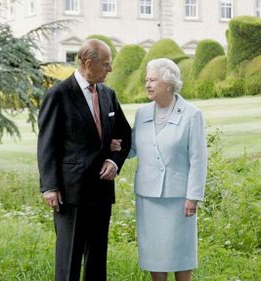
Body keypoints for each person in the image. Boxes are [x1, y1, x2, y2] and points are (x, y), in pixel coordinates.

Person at [37, 39, 132, 281]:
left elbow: (124, 134)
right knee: (69, 258)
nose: (110, 69)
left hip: (101, 191)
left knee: (97, 258)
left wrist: (114, 161)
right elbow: (47, 144)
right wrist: (50, 186)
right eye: (107, 64)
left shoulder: (108, 94)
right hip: (71, 192)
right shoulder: (58, 94)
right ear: (89, 63)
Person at [112, 58, 207, 281]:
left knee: (180, 253)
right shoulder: (142, 112)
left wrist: (193, 197)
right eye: (147, 80)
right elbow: (134, 147)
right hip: (148, 196)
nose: (147, 84)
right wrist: (117, 146)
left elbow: (199, 159)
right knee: (154, 253)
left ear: (169, 83)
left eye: (153, 80)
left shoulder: (192, 114)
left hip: (179, 198)